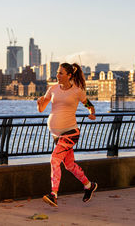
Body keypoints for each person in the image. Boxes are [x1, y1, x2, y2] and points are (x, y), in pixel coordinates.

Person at [37, 62, 97, 207]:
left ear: (69, 75)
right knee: (69, 165)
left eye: (61, 73)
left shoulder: (77, 91)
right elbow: (42, 109)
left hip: (70, 132)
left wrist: (92, 114)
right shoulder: (52, 89)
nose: (57, 75)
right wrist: (39, 103)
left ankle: (53, 194)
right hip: (56, 135)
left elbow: (89, 105)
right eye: (57, 73)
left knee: (54, 160)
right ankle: (89, 186)